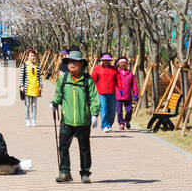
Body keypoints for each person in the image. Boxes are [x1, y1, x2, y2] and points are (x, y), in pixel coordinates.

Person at [51, 50, 100, 183]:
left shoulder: (87, 79)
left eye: (75, 62)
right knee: (63, 146)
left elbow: (95, 98)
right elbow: (58, 94)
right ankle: (65, 172)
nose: (72, 64)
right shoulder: (63, 78)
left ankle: (85, 173)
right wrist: (54, 103)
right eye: (70, 62)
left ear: (81, 64)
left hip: (83, 119)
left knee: (84, 148)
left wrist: (94, 114)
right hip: (66, 119)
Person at [91, 53, 119, 132]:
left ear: (110, 61)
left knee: (112, 110)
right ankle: (104, 126)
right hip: (101, 92)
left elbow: (118, 80)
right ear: (102, 60)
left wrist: (121, 89)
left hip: (112, 92)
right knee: (104, 109)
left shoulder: (114, 69)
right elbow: (93, 80)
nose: (106, 61)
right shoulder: (97, 69)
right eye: (105, 60)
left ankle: (109, 125)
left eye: (108, 60)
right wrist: (91, 89)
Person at [19, 49, 42, 126]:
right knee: (27, 104)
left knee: (34, 105)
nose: (33, 57)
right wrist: (21, 86)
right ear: (27, 57)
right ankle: (27, 119)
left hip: (35, 87)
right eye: (31, 55)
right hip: (27, 88)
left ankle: (34, 119)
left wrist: (41, 86)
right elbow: (21, 76)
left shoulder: (37, 66)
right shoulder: (24, 65)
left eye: (34, 55)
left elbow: (40, 77)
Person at [115, 57, 138, 130]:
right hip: (118, 96)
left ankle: (127, 121)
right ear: (118, 64)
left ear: (127, 64)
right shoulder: (116, 73)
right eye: (121, 63)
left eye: (124, 63)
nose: (123, 64)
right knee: (119, 111)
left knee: (129, 110)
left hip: (128, 96)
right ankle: (121, 123)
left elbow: (134, 85)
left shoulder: (130, 74)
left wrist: (135, 94)